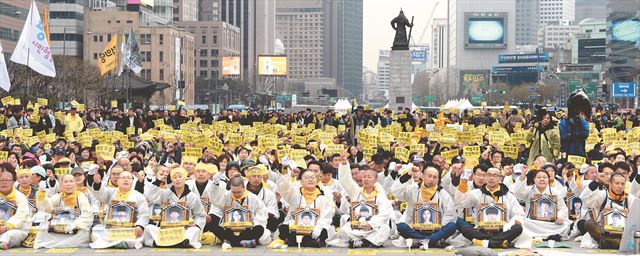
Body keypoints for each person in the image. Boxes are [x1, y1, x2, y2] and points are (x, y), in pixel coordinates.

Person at [329, 153, 392, 249]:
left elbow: (384, 214)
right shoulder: (356, 191)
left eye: (369, 177)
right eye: (364, 177)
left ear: (375, 180)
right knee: (345, 229)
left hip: (371, 228)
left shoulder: (380, 195)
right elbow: (345, 180)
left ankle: (362, 242)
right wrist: (344, 163)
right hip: (357, 228)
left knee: (385, 229)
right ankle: (367, 241)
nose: (366, 179)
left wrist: (371, 224)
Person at [455, 167, 525, 248]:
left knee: (518, 228)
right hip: (482, 230)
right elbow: (463, 203)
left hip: (502, 230)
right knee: (465, 229)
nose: (491, 178)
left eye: (495, 175)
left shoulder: (509, 195)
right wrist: (464, 181)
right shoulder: (476, 193)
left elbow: (519, 214)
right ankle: (499, 242)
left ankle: (487, 243)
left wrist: (509, 225)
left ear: (500, 178)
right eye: (489, 175)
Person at [390, 165, 457, 249]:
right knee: (401, 226)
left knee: (452, 226)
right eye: (429, 176)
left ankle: (422, 241)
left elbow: (450, 214)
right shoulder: (413, 189)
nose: (432, 179)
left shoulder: (443, 193)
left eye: (435, 177)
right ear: (422, 176)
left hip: (436, 231)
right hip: (416, 231)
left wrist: (439, 226)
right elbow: (396, 191)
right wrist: (408, 175)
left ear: (438, 179)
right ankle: (431, 241)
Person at [269, 168, 335, 249]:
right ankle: (306, 241)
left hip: (314, 228)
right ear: (301, 182)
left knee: (325, 231)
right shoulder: (295, 194)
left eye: (312, 177)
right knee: (284, 228)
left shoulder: (322, 198)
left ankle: (302, 240)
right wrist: (287, 173)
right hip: (297, 227)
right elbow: (284, 187)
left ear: (317, 180)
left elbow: (326, 217)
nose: (310, 179)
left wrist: (318, 228)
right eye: (307, 177)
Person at [143, 167, 206, 249]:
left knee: (195, 230)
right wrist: (158, 180)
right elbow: (150, 196)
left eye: (180, 176)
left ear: (185, 179)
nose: (177, 179)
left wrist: (196, 225)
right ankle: (179, 243)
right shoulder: (166, 193)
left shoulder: (193, 197)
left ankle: (164, 242)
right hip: (166, 229)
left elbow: (200, 215)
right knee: (148, 228)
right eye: (174, 177)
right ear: (172, 180)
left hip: (184, 229)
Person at [88, 170, 149, 249]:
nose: (126, 180)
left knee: (144, 232)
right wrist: (97, 183)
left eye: (129, 178)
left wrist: (140, 226)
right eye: (123, 178)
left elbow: (144, 213)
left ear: (133, 181)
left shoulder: (138, 196)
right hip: (112, 229)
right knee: (96, 229)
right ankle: (119, 242)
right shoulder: (111, 192)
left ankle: (117, 242)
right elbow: (100, 194)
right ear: (118, 181)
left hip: (128, 230)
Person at [33, 174, 93, 249]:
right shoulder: (57, 197)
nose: (68, 184)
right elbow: (47, 208)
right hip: (59, 225)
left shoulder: (80, 196)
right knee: (43, 227)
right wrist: (42, 193)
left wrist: (76, 225)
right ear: (61, 185)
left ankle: (58, 243)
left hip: (74, 227)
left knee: (84, 231)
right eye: (65, 182)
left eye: (71, 181)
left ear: (75, 184)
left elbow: (88, 215)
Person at [209, 176, 267, 249]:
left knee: (259, 228)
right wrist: (215, 185)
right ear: (230, 188)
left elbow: (261, 211)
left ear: (243, 188)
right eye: (234, 192)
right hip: (229, 229)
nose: (236, 194)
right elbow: (215, 200)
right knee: (214, 227)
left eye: (239, 192)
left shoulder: (252, 197)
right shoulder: (226, 195)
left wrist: (254, 223)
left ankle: (231, 242)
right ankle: (242, 242)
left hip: (246, 230)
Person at [581, 173, 637, 249]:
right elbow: (585, 199)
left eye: (622, 184)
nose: (620, 186)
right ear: (610, 184)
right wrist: (596, 182)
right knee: (589, 223)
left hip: (622, 233)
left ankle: (609, 242)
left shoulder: (630, 198)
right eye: (617, 183)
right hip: (603, 231)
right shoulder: (603, 194)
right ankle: (613, 242)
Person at [513, 168, 570, 241]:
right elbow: (518, 192)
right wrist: (523, 176)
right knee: (521, 222)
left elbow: (562, 208)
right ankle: (549, 235)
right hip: (532, 223)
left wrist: (560, 217)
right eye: (539, 177)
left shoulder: (554, 192)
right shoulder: (529, 190)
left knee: (565, 224)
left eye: (545, 177)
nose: (542, 179)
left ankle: (544, 235)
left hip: (550, 223)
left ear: (548, 179)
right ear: (534, 179)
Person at [0, 169, 31, 250]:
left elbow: (21, 216)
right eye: (1, 180)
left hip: (15, 229)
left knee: (9, 235)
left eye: (7, 180)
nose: (4, 182)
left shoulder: (20, 196)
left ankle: (2, 243)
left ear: (13, 182)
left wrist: (6, 227)